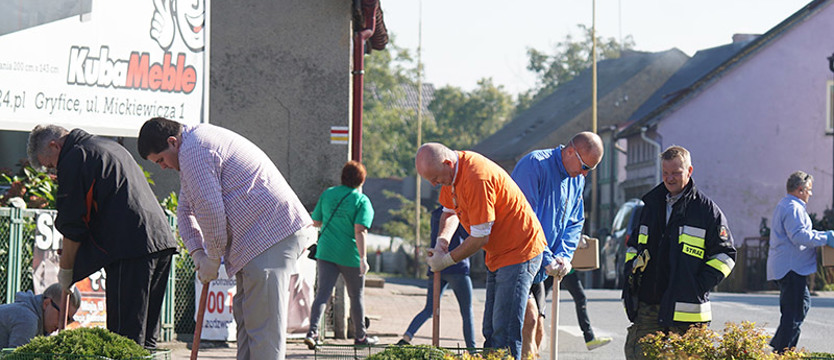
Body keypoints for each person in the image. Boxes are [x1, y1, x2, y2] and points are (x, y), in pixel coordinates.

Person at [138, 117, 315, 360]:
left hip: (270, 236)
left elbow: (211, 211)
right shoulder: (192, 147)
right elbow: (185, 210)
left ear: (172, 142)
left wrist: (212, 256)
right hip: (258, 240)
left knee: (262, 330)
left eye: (160, 160)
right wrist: (197, 254)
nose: (163, 167)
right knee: (246, 320)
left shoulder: (195, 151)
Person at [27, 124, 178, 349]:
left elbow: (73, 225)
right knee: (145, 337)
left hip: (130, 249)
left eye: (51, 164)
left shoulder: (75, 157)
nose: (55, 170)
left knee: (123, 338)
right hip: (159, 240)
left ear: (54, 145)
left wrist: (66, 272)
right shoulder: (107, 146)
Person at [415, 142, 546, 360]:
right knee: (490, 329)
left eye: (436, 178)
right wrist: (442, 241)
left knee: (504, 330)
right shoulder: (451, 174)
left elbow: (479, 237)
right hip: (498, 254)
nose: (434, 184)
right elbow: (449, 213)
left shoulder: (477, 178)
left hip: (519, 251)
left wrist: (446, 260)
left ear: (448, 163)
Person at [622, 145, 737, 360]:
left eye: (676, 173)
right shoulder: (651, 205)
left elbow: (725, 255)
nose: (670, 178)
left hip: (687, 312)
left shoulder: (706, 211)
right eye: (665, 173)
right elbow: (634, 246)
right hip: (649, 304)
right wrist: (631, 274)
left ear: (690, 171)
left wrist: (697, 285)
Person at [510, 132, 611, 357]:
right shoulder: (535, 165)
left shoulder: (577, 179)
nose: (585, 173)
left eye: (590, 170)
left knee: (537, 331)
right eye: (585, 166)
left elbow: (575, 222)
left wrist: (564, 256)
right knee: (527, 320)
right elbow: (525, 221)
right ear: (569, 152)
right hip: (517, 259)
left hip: (544, 267)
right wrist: (547, 258)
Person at [304, 161, 377, 348]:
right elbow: (360, 230)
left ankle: (312, 333)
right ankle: (360, 337)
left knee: (322, 294)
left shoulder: (328, 194)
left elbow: (316, 221)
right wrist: (363, 259)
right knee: (356, 296)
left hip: (326, 252)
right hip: (350, 256)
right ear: (361, 180)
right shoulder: (361, 201)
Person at [767, 171, 834, 352]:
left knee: (799, 306)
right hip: (791, 268)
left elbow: (800, 234)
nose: (810, 194)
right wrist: (826, 238)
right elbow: (799, 236)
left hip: (789, 267)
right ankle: (783, 351)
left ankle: (780, 346)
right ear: (800, 189)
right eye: (809, 190)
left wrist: (823, 236)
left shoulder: (787, 205)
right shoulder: (793, 208)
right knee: (795, 311)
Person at [396, 207, 476, 349]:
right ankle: (472, 349)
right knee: (466, 311)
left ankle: (407, 336)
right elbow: (470, 235)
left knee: (429, 309)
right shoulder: (461, 213)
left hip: (437, 267)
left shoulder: (436, 214)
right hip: (457, 267)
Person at [0, 284, 81, 348]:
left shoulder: (40, 323)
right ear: (46, 303)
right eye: (63, 316)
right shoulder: (28, 320)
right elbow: (16, 357)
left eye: (68, 320)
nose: (62, 323)